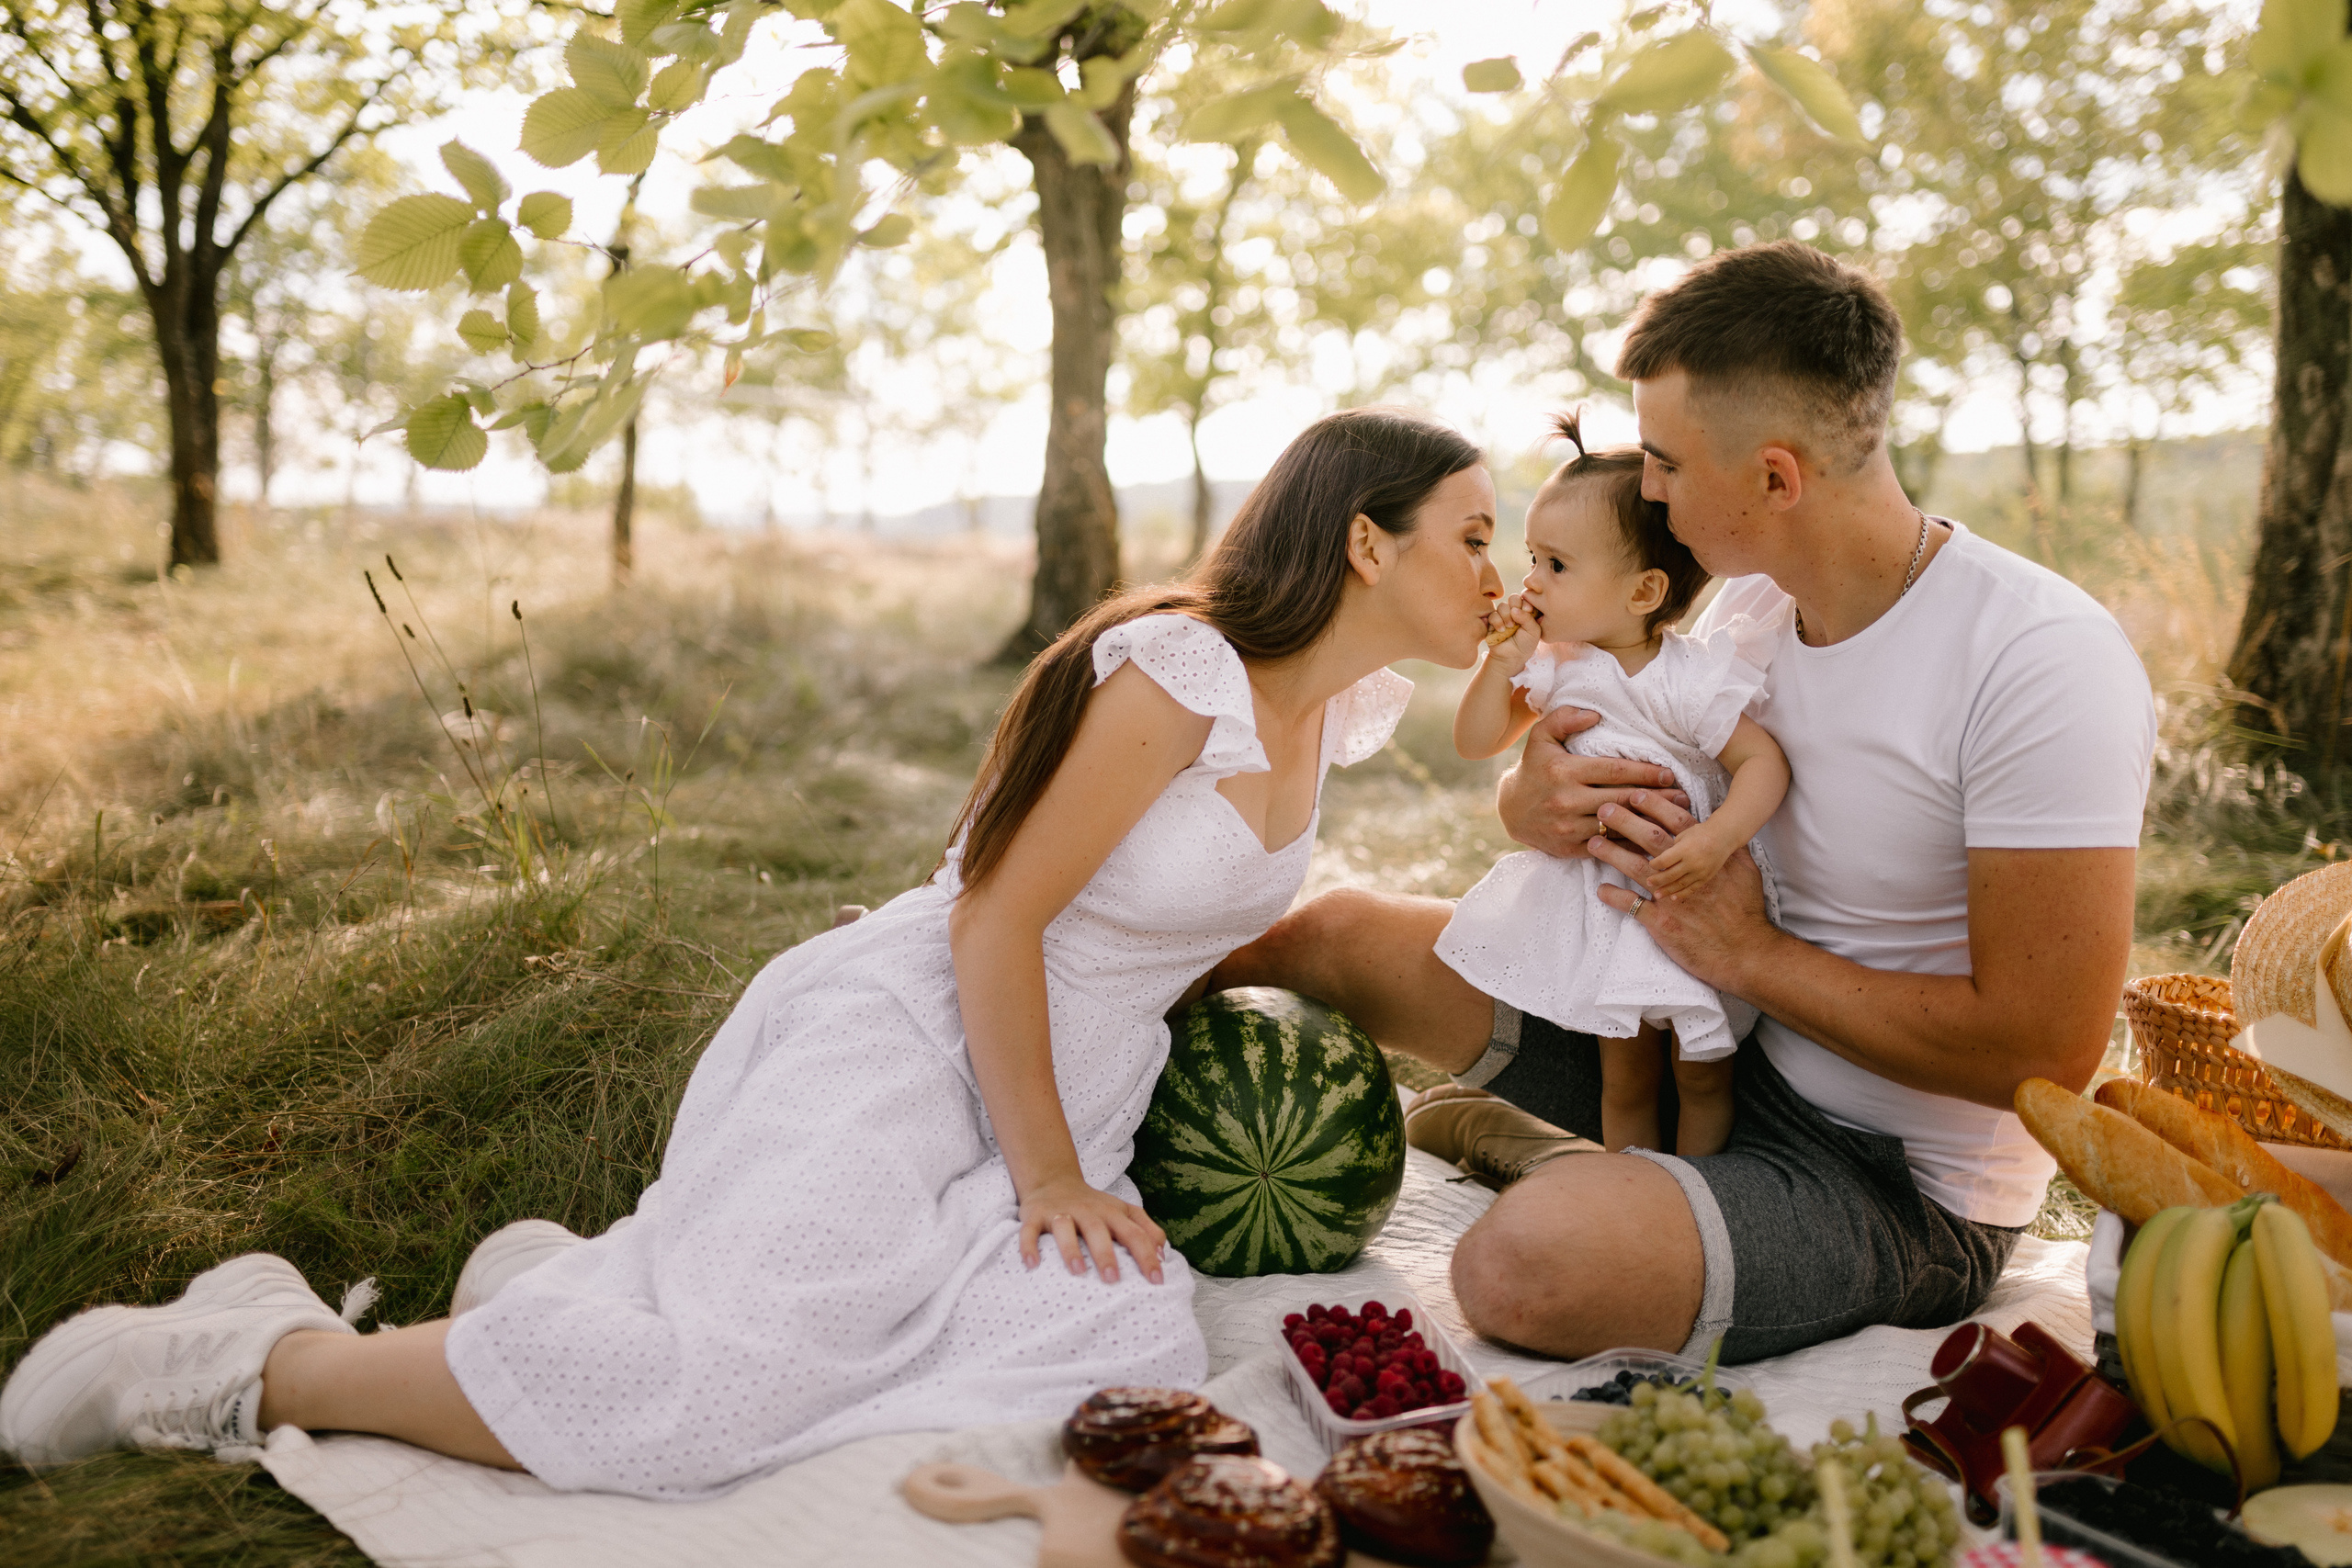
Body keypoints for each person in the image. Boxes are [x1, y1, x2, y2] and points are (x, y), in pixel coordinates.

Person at [0, 408, 1506, 1496]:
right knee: (705, 1397)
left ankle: (567, 1295)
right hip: (934, 1037)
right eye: (1478, 535)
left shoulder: (1332, 718)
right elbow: (998, 911)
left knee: (1097, 1335)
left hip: (1076, 1082)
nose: (1501, 569)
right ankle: (249, 1361)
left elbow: (1163, 932)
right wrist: (1048, 1176)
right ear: (1367, 541)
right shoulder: (1181, 670)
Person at [1212, 241, 2153, 1365]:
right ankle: (1054, 1096)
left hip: (1893, 1178)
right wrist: (1530, 803)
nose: (1643, 489)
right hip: (1703, 1035)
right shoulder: (1750, 610)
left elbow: (2040, 1048)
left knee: (1522, 1267)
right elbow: (1625, 737)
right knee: (1334, 934)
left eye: (1662, 460)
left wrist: (1747, 956)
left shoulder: (2039, 659)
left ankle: (1577, 1168)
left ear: (1774, 477)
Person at [1440, 411, 1790, 1158]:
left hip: (1690, 898)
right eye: (1533, 557)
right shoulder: (1559, 663)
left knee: (1702, 1078)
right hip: (1604, 912)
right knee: (1624, 1079)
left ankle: (1696, 1188)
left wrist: (1716, 838)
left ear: (1642, 592)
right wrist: (1501, 664)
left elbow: (1763, 764)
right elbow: (1475, 742)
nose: (1530, 580)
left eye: (1556, 566)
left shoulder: (1689, 676)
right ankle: (1627, 1184)